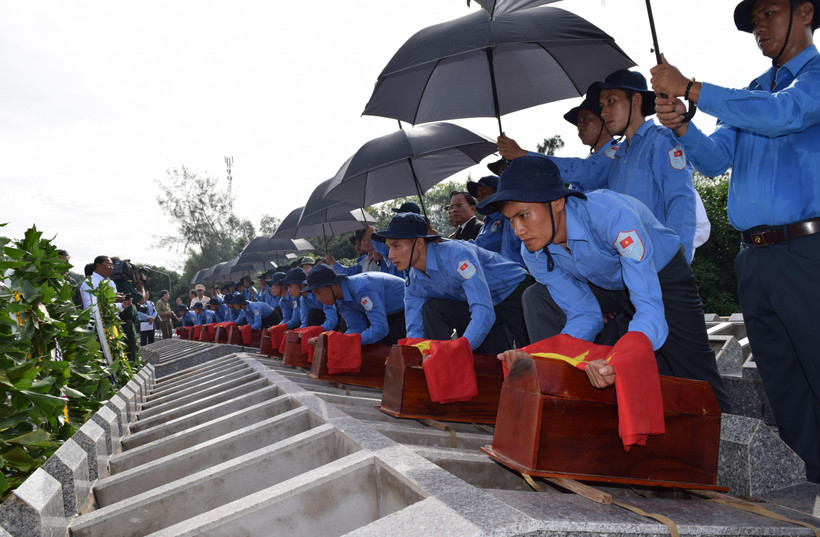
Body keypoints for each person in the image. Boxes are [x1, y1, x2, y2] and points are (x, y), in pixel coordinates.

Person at [649, 0, 820, 481]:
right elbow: (713, 159)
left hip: (809, 250)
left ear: (805, 12)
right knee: (783, 380)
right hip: (755, 258)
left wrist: (691, 87)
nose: (758, 27)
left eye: (768, 13)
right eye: (753, 22)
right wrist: (683, 123)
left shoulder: (813, 79)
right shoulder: (751, 92)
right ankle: (808, 485)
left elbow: (785, 114)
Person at [478, 155, 731, 412]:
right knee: (537, 297)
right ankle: (566, 398)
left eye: (523, 215)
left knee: (691, 367)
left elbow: (648, 307)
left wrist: (625, 355)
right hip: (606, 285)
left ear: (556, 202)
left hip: (659, 274)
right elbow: (585, 313)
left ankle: (726, 434)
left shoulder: (612, 216)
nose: (518, 230)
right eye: (510, 220)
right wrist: (547, 355)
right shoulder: (532, 253)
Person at [498, 69, 700, 262]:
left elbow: (681, 200)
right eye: (602, 106)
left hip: (660, 260)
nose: (604, 112)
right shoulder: (619, 156)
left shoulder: (662, 141)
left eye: (611, 101)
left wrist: (677, 259)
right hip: (628, 260)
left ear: (636, 101)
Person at [372, 213, 532, 354]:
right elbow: (414, 328)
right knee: (432, 308)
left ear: (419, 244)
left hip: (515, 295)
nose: (390, 255)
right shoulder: (413, 282)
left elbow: (483, 310)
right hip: (481, 305)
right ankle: (439, 360)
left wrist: (459, 349)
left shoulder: (458, 256)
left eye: (396, 246)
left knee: (535, 354)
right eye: (388, 247)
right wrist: (416, 353)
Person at [303, 264, 407, 345]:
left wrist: (346, 341)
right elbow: (357, 327)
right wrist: (330, 340)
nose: (318, 299)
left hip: (405, 313)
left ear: (332, 284)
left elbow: (380, 329)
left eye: (318, 293)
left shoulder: (362, 289)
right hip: (387, 316)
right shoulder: (340, 300)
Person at [469, 175, 524, 266]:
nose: (479, 199)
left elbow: (479, 246)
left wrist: (444, 242)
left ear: (498, 192)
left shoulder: (504, 219)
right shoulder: (487, 221)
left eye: (483, 193)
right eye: (478, 195)